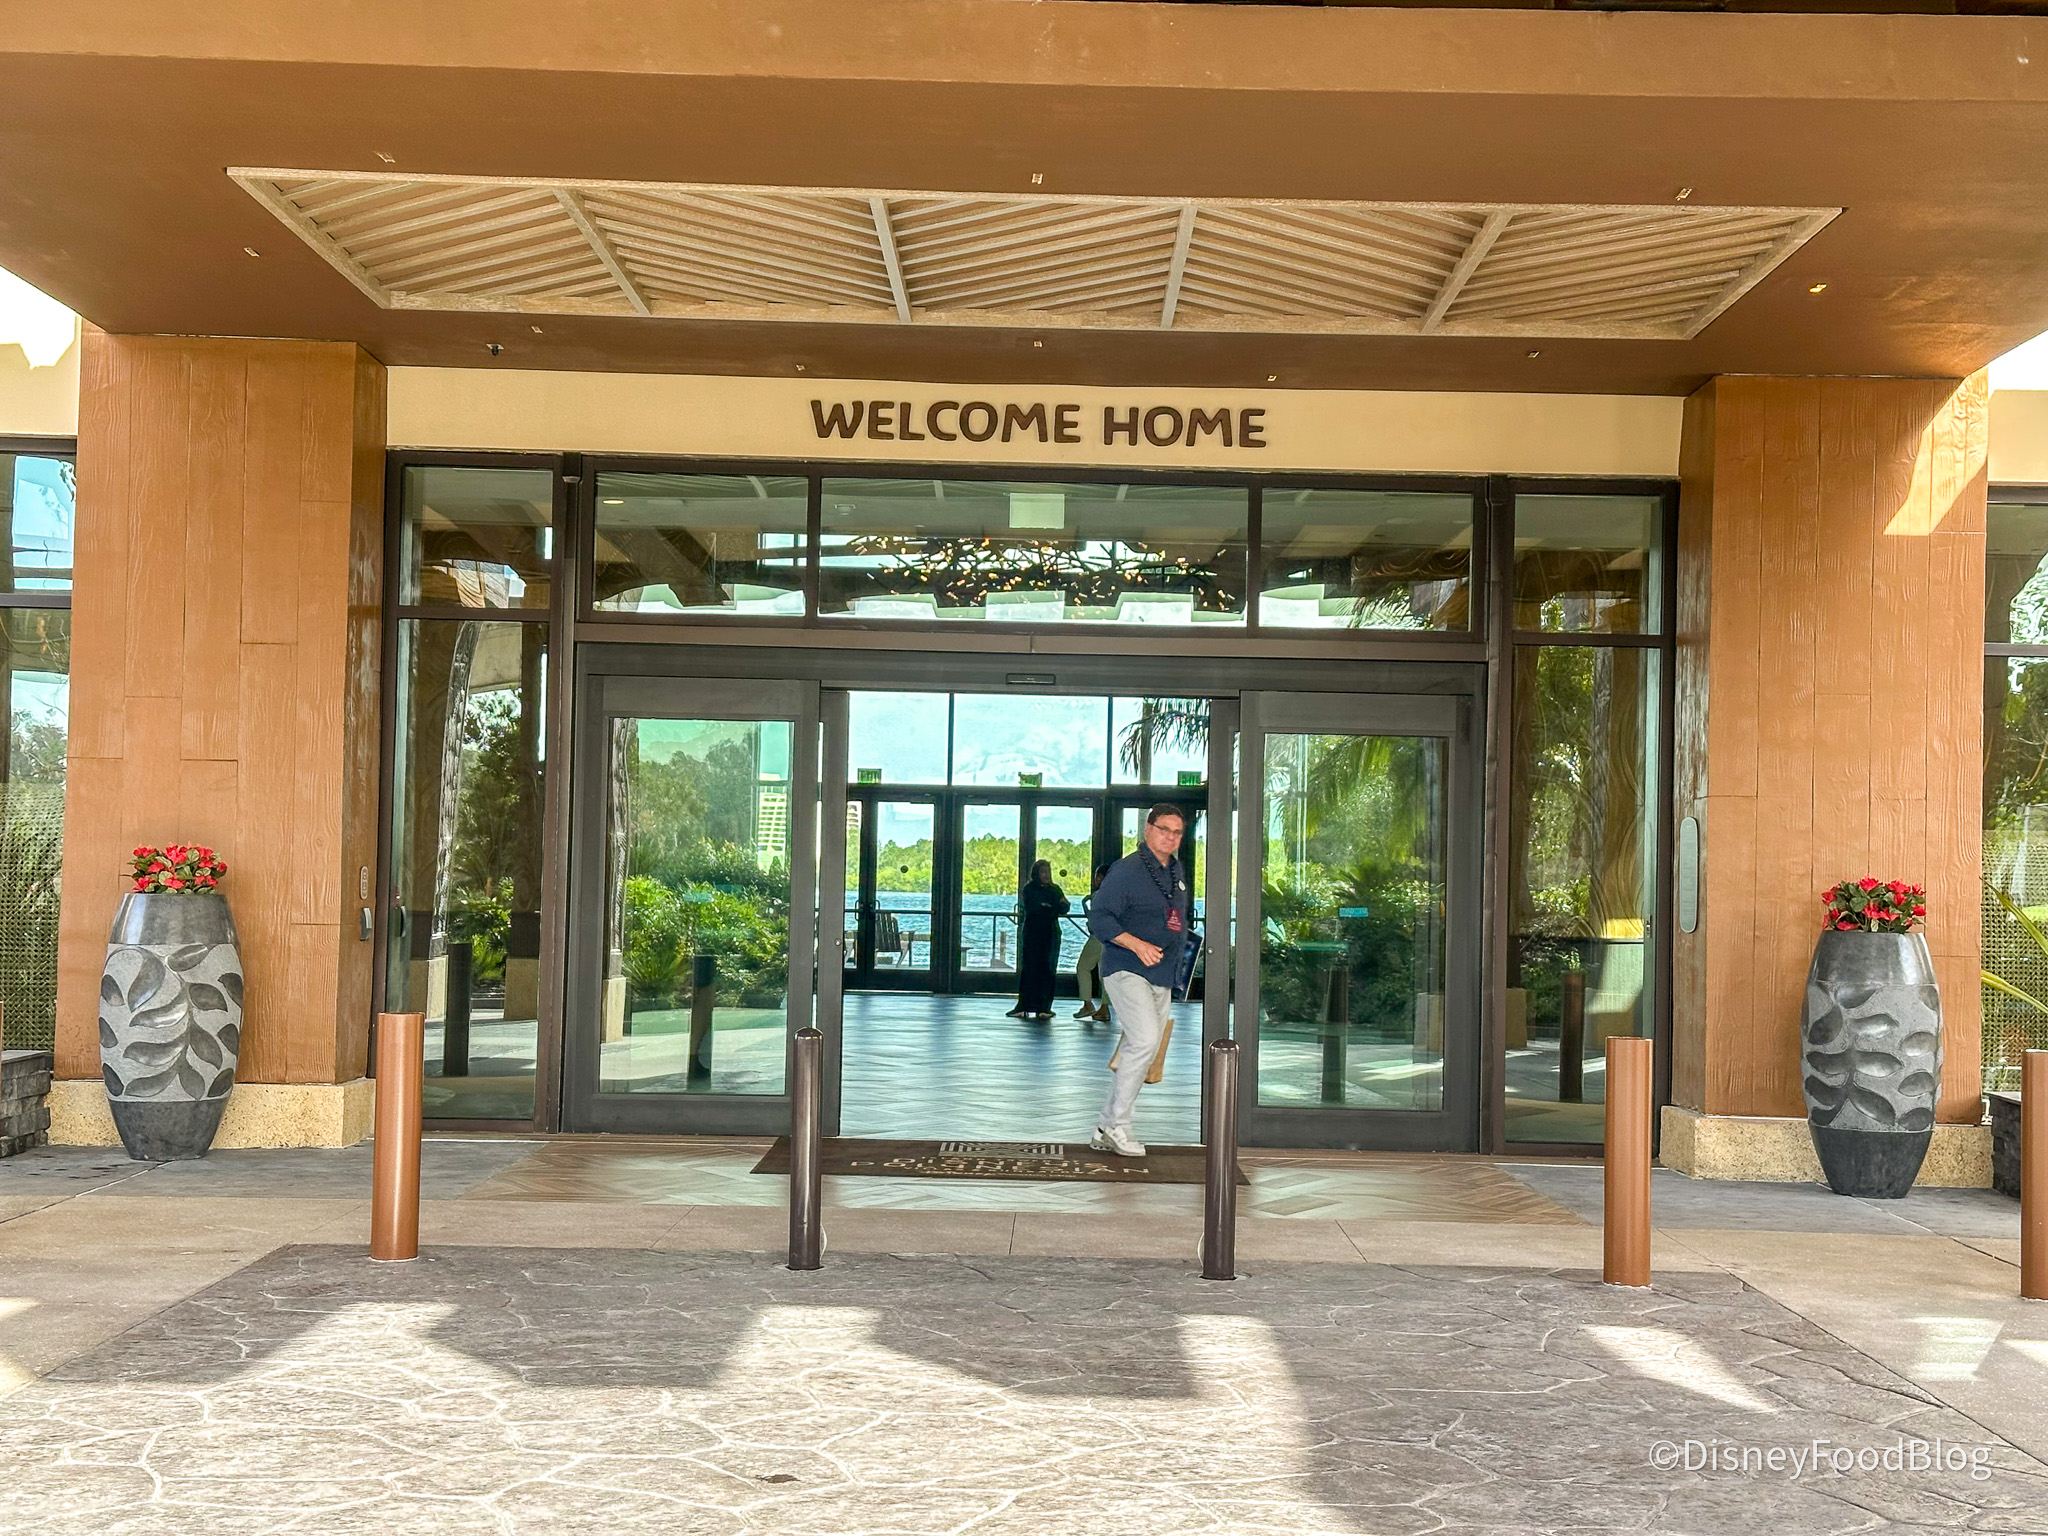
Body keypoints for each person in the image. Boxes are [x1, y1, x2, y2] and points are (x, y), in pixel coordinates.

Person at [1088, 805, 1191, 1157]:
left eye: (1177, 832)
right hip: (1126, 967)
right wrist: (1137, 944)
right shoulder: (1127, 870)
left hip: (1162, 972)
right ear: (1148, 830)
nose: (1170, 837)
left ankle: (1105, 1125)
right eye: (1164, 829)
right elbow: (1099, 918)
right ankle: (1119, 1125)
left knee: (1145, 1047)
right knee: (1145, 1040)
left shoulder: (1175, 871)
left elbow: (1174, 920)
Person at [1007, 859, 1069, 1020]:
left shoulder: (1055, 889)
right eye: (1043, 872)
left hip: (1050, 934)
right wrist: (1053, 906)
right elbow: (1034, 908)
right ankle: (1024, 1005)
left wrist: (1049, 906)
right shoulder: (1029, 889)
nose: (1046, 875)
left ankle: (1044, 1006)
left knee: (1048, 970)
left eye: (1048, 872)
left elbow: (1065, 907)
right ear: (1036, 874)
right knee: (1030, 969)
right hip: (1033, 935)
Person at [1073, 861, 1114, 1021]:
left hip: (1098, 937)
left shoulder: (1098, 896)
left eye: (1098, 877)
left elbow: (1093, 919)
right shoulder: (1118, 895)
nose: (1095, 880)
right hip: (1112, 938)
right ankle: (1104, 1008)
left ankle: (1087, 1003)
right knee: (1104, 973)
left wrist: (1084, 904)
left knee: (1083, 967)